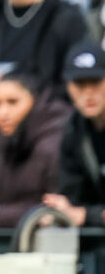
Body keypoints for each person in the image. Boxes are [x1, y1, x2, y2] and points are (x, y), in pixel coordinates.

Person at [0, 72, 71, 230]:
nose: (3, 113)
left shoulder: (57, 139)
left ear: (35, 100)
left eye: (13, 102)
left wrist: (1, 217)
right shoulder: (2, 140)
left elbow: (57, 205)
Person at [45, 41, 105, 227]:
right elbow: (73, 197)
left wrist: (88, 215)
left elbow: (81, 213)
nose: (88, 92)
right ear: (68, 88)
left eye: (95, 82)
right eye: (80, 83)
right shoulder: (73, 130)